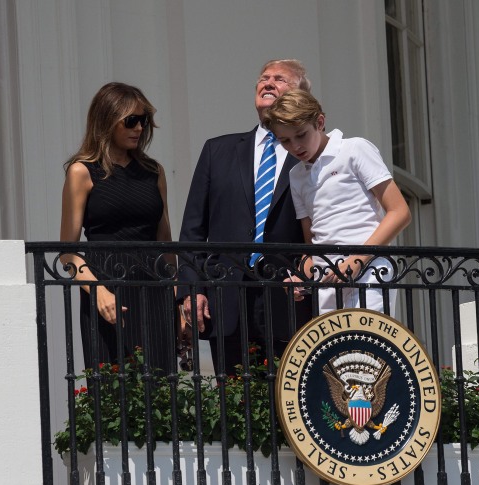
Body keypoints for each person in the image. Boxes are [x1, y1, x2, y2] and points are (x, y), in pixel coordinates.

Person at [178, 59, 313, 374]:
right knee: (231, 405)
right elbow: (193, 231)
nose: (267, 82)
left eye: (279, 79)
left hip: (288, 300)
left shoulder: (309, 157)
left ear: (301, 97)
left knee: (288, 402)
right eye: (263, 77)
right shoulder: (218, 151)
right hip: (226, 302)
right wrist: (191, 290)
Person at [60, 82, 177, 375]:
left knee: (161, 389)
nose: (139, 128)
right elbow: (67, 253)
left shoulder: (153, 171)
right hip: (106, 287)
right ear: (107, 121)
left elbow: (166, 243)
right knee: (112, 394)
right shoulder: (83, 171)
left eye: (144, 120)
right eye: (131, 120)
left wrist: (178, 298)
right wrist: (98, 290)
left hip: (153, 288)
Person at [262, 89, 412, 314]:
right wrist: (299, 276)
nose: (295, 146)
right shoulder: (296, 175)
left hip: (371, 272)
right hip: (328, 282)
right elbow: (312, 244)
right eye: (285, 140)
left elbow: (400, 212)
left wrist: (356, 261)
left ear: (320, 122)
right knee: (338, 349)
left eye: (301, 135)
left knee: (366, 346)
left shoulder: (354, 149)